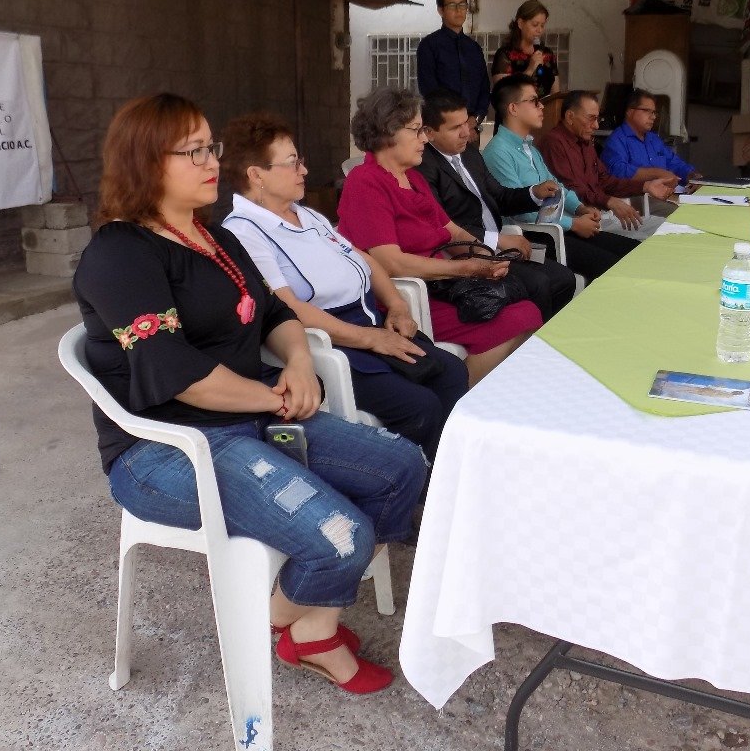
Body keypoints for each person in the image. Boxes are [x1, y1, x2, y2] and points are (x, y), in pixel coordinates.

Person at [72, 93, 425, 696]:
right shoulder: (119, 254)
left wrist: (297, 364)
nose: (213, 161)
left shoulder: (217, 239)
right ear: (146, 161)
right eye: (194, 151)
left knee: (404, 468)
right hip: (167, 450)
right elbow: (180, 375)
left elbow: (272, 313)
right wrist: (271, 400)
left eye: (212, 147)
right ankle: (309, 632)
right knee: (344, 534)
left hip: (256, 414)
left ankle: (293, 618)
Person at [219, 115, 468, 462]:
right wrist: (368, 338)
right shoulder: (244, 232)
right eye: (292, 163)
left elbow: (364, 260)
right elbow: (286, 306)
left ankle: (449, 474)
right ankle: (416, 487)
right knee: (419, 405)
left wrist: (396, 305)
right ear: (256, 174)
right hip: (330, 339)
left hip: (371, 324)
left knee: (453, 372)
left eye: (300, 161)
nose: (303, 171)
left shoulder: (308, 216)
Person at [337, 86, 541, 386]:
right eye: (417, 131)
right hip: (404, 296)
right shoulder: (366, 182)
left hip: (444, 284)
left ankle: (487, 392)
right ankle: (463, 397)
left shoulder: (413, 178)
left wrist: (485, 256)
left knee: (528, 299)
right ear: (388, 132)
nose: (424, 139)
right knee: (520, 316)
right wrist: (465, 267)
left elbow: (452, 230)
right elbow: (390, 262)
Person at [415, 88, 576, 320]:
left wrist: (534, 193)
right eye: (454, 128)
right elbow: (443, 226)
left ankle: (549, 335)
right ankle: (534, 346)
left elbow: (499, 197)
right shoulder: (424, 167)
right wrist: (497, 240)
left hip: (501, 246)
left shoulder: (470, 154)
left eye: (466, 124)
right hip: (468, 254)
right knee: (539, 283)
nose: (465, 134)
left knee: (564, 277)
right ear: (428, 132)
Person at [482, 75, 638, 281]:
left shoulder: (529, 148)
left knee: (632, 252)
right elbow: (522, 211)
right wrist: (573, 224)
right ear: (513, 108)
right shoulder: (498, 152)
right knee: (613, 267)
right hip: (533, 237)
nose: (542, 107)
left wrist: (581, 208)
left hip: (556, 227)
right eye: (534, 101)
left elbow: (557, 187)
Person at [539, 89, 675, 242]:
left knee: (669, 227)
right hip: (581, 221)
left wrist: (645, 186)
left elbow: (605, 180)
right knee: (646, 241)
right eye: (591, 118)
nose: (596, 125)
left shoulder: (586, 142)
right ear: (570, 116)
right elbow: (571, 189)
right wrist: (609, 201)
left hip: (603, 216)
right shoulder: (554, 142)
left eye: (597, 119)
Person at [415, 0, 490, 126]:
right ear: (440, 10)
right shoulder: (429, 45)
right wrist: (456, 122)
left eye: (462, 5)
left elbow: (484, 89)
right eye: (452, 5)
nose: (459, 10)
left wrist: (475, 120)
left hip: (472, 128)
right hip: (443, 126)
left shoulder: (474, 48)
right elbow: (429, 90)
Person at [601, 88, 701, 186]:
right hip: (632, 199)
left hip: (662, 197)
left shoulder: (654, 139)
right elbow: (618, 171)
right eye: (647, 111)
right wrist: (657, 173)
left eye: (654, 112)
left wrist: (692, 176)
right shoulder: (616, 140)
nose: (653, 117)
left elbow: (673, 162)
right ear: (629, 111)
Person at [490, 0, 559, 99]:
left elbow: (555, 95)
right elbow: (503, 94)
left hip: (544, 111)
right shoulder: (505, 54)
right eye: (535, 25)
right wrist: (530, 69)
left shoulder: (547, 54)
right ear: (520, 23)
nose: (539, 30)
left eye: (542, 25)